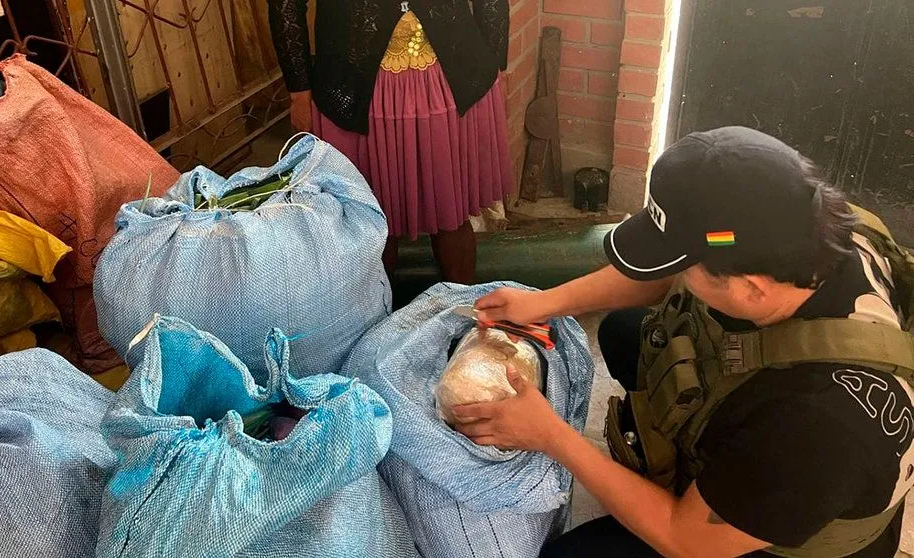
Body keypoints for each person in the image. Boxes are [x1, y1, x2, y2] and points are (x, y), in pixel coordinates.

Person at [457, 126, 914, 557]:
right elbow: (662, 277)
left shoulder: (816, 425)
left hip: (767, 536)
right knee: (624, 330)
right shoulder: (812, 226)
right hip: (779, 458)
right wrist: (545, 303)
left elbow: (687, 540)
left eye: (688, 267)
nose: (675, 275)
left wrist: (550, 436)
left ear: (751, 287)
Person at [268, 0, 513, 284]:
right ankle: (381, 321)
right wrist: (299, 88)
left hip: (447, 80)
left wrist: (497, 61)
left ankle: (460, 313)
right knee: (369, 222)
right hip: (355, 89)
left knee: (452, 217)